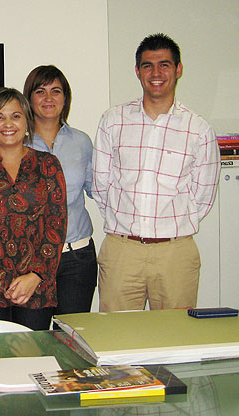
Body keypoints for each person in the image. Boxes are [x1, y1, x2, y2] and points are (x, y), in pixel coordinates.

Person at [92, 33, 220, 312]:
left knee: (175, 341)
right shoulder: (113, 121)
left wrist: (171, 230)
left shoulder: (198, 129)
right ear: (138, 72)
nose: (156, 72)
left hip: (175, 253)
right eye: (148, 65)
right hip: (122, 251)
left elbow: (203, 196)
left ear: (178, 69)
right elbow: (101, 185)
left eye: (164, 64)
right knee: (118, 341)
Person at [0, 87, 67, 330]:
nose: (8, 123)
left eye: (15, 116)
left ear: (27, 121)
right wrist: (3, 280)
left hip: (36, 287)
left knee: (30, 361)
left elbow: (56, 226)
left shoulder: (48, 165)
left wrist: (35, 276)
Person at [23, 65, 97, 315]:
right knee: (31, 342)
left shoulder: (82, 142)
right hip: (30, 260)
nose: (48, 98)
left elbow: (96, 189)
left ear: (65, 98)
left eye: (56, 91)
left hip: (77, 257)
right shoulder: (16, 143)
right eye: (40, 91)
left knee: (74, 339)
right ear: (29, 98)